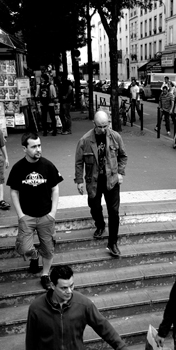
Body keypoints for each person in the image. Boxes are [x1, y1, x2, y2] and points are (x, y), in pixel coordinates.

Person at [7, 132, 63, 287]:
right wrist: (20, 215)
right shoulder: (18, 168)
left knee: (49, 249)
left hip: (46, 216)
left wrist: (52, 213)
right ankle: (33, 257)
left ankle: (45, 275)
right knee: (24, 248)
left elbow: (55, 189)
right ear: (24, 148)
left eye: (39, 145)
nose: (38, 149)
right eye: (33, 147)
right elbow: (13, 191)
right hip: (27, 217)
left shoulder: (48, 165)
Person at [75, 110, 128, 258]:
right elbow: (79, 162)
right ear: (94, 124)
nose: (103, 129)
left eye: (106, 125)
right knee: (94, 206)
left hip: (111, 180)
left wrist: (120, 173)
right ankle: (99, 224)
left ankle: (112, 243)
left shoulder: (115, 137)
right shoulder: (85, 140)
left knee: (114, 212)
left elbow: (123, 156)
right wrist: (79, 181)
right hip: (94, 181)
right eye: (100, 126)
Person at [38, 70, 58, 136]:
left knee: (44, 118)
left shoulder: (39, 86)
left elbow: (36, 95)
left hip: (42, 104)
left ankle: (45, 132)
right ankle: (54, 131)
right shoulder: (51, 86)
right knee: (52, 117)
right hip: (50, 103)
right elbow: (54, 95)